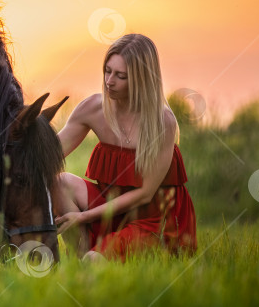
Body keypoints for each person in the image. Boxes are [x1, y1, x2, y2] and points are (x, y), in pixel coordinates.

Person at [53, 33, 196, 262]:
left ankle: (91, 259)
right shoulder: (92, 108)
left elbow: (145, 194)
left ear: (142, 80)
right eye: (107, 71)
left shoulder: (163, 122)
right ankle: (79, 258)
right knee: (59, 181)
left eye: (121, 76)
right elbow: (48, 156)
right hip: (110, 205)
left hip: (150, 219)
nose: (109, 81)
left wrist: (83, 217)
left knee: (95, 261)